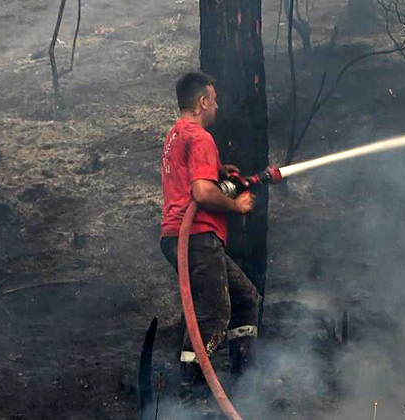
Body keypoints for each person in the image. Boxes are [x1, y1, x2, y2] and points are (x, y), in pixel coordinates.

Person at [159, 72, 259, 407]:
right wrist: (235, 205)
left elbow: (194, 179)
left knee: (245, 296)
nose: (216, 106)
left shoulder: (176, 135)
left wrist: (218, 170)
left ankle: (245, 381)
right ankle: (191, 397)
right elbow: (201, 193)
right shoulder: (200, 137)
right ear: (202, 102)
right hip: (197, 236)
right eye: (214, 100)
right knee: (215, 312)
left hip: (182, 238)